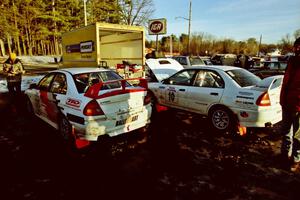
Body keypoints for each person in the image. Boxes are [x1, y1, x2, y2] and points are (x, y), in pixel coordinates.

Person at [279, 37, 300, 172]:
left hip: (298, 106)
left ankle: (296, 159)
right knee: (285, 131)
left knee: (297, 135)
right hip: (286, 102)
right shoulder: (292, 61)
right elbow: (285, 82)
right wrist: (282, 99)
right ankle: (284, 155)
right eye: (296, 46)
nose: (297, 48)